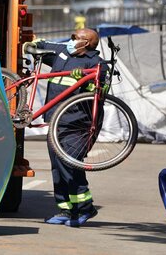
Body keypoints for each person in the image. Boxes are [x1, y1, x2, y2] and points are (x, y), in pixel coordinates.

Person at [24, 28, 107, 227]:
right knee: (57, 166)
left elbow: (100, 91)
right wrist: (29, 43)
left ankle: (85, 207)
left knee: (70, 162)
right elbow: (41, 44)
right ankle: (66, 209)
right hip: (55, 121)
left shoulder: (96, 64)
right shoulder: (62, 53)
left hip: (78, 123)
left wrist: (85, 81)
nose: (70, 40)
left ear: (86, 43)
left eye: (75, 38)